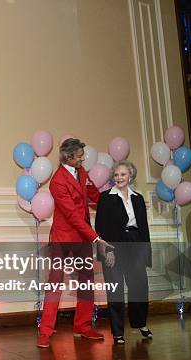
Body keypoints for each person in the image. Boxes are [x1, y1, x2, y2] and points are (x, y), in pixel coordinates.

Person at [37, 138, 112, 348]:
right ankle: (45, 331)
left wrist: (117, 200)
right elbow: (72, 216)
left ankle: (83, 326)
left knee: (87, 280)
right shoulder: (57, 181)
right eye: (80, 156)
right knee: (55, 282)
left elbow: (95, 196)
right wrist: (96, 237)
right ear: (68, 157)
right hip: (63, 237)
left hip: (82, 237)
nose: (83, 159)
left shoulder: (82, 172)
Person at [95, 160, 152, 345]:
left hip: (135, 245)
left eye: (123, 174)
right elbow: (100, 228)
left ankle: (141, 324)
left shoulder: (137, 198)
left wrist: (145, 252)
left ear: (130, 176)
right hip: (114, 247)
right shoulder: (105, 198)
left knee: (140, 287)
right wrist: (107, 251)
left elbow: (144, 228)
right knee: (116, 290)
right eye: (116, 175)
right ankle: (118, 332)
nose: (119, 177)